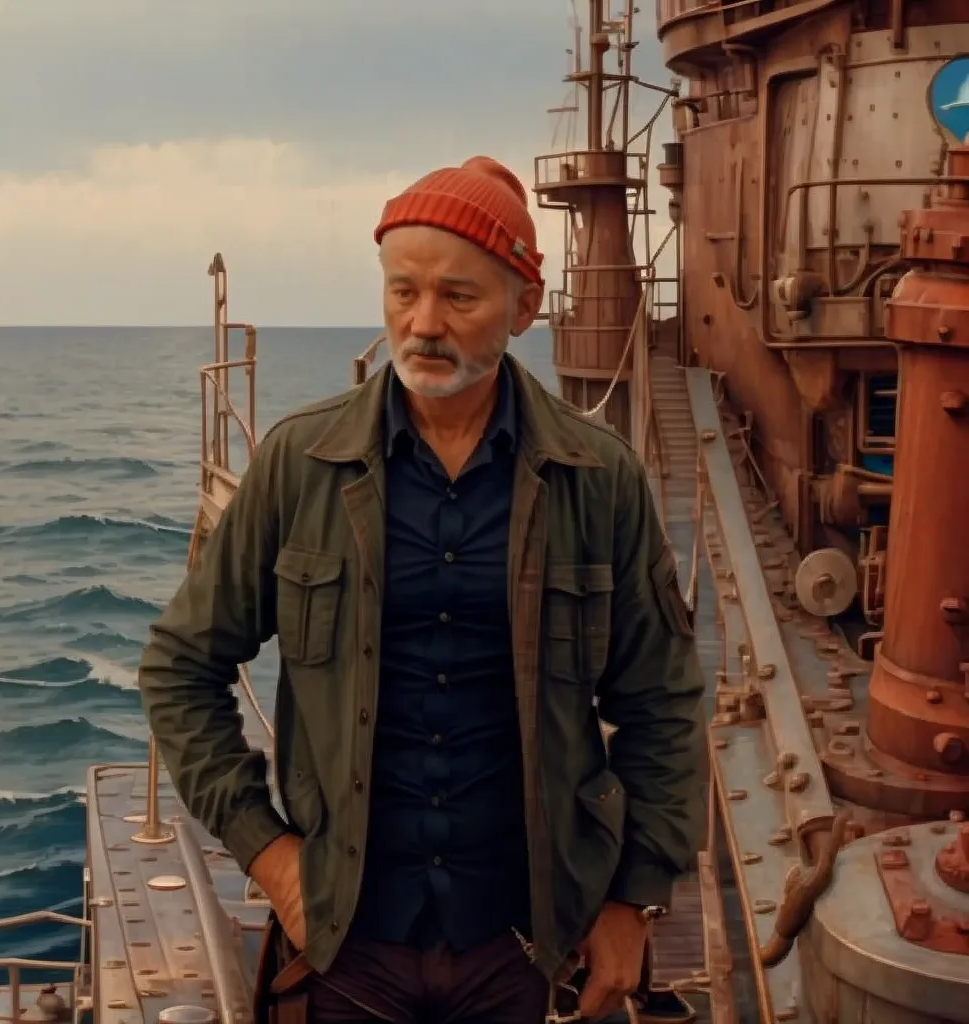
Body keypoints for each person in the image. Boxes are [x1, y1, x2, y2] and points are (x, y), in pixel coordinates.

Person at [138, 155, 705, 1024]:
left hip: (524, 949)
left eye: (459, 297)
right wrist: (270, 854)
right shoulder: (301, 466)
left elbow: (661, 703)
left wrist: (634, 901)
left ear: (524, 306)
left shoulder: (600, 481)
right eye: (403, 292)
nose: (424, 322)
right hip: (345, 946)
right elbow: (180, 668)